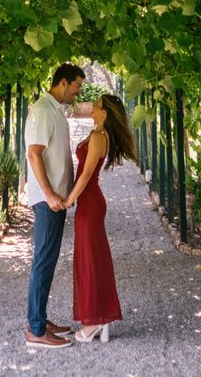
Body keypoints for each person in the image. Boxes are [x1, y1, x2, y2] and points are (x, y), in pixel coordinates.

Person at [64, 91, 137, 342]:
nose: (92, 109)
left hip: (90, 203)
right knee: (91, 259)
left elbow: (85, 175)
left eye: (95, 106)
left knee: (90, 261)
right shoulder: (98, 134)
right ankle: (98, 318)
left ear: (104, 113)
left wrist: (69, 199)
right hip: (90, 202)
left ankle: (94, 321)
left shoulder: (97, 136)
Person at [23, 63, 84, 348]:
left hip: (57, 200)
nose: (78, 92)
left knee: (48, 260)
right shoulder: (43, 111)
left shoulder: (55, 111)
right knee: (43, 260)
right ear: (62, 83)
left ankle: (40, 319)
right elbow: (34, 154)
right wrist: (48, 193)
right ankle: (36, 330)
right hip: (49, 201)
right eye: (76, 86)